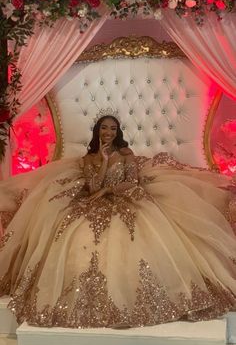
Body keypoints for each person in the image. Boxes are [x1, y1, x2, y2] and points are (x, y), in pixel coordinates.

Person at [0, 112, 236, 329]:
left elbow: (132, 182)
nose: (109, 132)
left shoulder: (126, 154)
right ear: (98, 131)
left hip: (128, 196)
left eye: (113, 128)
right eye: (104, 128)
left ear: (118, 132)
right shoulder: (89, 158)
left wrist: (107, 190)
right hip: (96, 197)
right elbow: (92, 187)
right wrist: (102, 162)